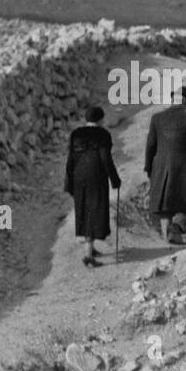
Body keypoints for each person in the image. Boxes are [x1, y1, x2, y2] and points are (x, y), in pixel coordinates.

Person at [145, 88, 186, 243]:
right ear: (185, 101)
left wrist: (148, 167)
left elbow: (150, 145)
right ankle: (175, 231)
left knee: (164, 204)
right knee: (182, 202)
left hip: (160, 167)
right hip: (183, 167)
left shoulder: (156, 118)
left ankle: (167, 238)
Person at [64, 106, 122, 267]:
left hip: (78, 176)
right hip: (96, 176)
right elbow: (105, 158)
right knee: (95, 212)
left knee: (83, 210)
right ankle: (88, 255)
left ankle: (91, 247)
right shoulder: (103, 134)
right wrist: (114, 179)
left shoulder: (76, 134)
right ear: (100, 119)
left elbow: (71, 158)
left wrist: (68, 181)